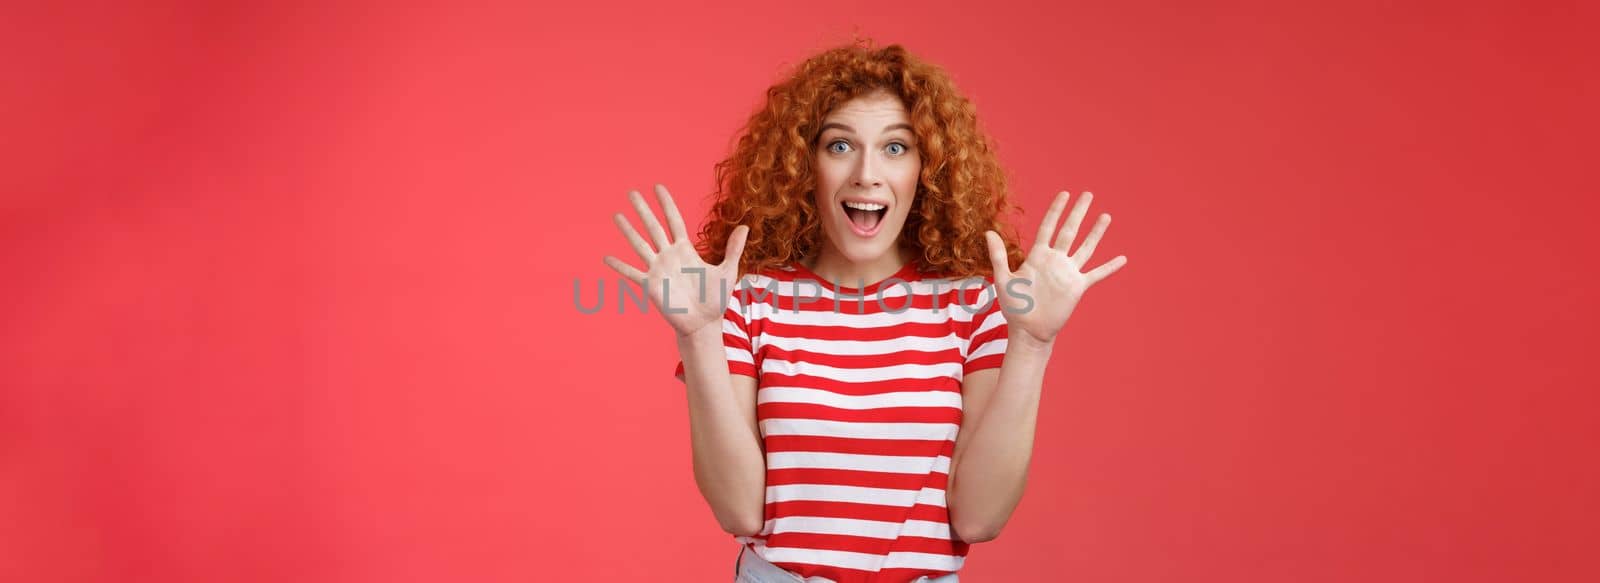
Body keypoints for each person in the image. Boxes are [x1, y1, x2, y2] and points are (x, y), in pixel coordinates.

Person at [602, 39, 1128, 583]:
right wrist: (698, 336)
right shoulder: (743, 299)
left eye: (896, 148)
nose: (867, 174)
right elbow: (739, 511)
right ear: (804, 164)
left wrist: (1033, 345)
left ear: (927, 168)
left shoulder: (978, 305)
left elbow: (978, 520)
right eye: (839, 146)